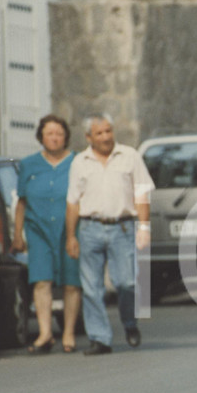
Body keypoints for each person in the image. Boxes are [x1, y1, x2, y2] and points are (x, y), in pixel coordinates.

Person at [65, 113, 155, 356]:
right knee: (91, 287)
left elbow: (142, 193)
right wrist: (71, 236)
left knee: (126, 282)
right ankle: (100, 338)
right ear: (89, 137)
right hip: (90, 228)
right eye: (99, 133)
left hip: (122, 227)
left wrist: (144, 227)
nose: (105, 137)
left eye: (108, 131)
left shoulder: (129, 156)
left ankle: (129, 322)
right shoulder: (80, 162)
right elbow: (73, 202)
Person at [13, 114, 83, 353]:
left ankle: (68, 333)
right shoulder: (29, 164)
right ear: (41, 137)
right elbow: (22, 201)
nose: (54, 138)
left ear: (66, 137)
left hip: (70, 229)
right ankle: (45, 334)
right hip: (38, 229)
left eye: (59, 134)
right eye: (49, 133)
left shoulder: (78, 162)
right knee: (41, 280)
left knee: (71, 282)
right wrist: (17, 234)